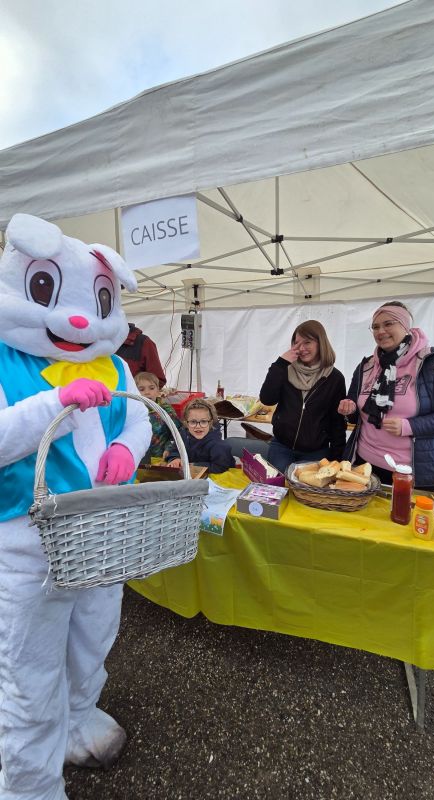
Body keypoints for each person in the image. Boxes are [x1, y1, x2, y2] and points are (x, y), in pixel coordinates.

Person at [0, 213, 151, 800]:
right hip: (26, 546)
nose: (82, 318)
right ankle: (29, 785)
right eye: (46, 290)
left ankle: (78, 718)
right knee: (29, 667)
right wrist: (53, 406)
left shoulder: (115, 365)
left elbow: (138, 418)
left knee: (93, 635)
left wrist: (124, 448)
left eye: (100, 299)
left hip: (100, 535)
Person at [338, 301, 434, 490]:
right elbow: (356, 411)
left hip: (414, 473)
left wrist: (409, 426)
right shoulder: (366, 366)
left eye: (388, 324)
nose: (380, 331)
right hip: (365, 466)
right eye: (375, 327)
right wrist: (348, 409)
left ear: (405, 326)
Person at [259, 320, 346, 473]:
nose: (301, 348)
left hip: (316, 452)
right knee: (278, 489)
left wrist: (337, 458)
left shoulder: (335, 378)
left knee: (308, 494)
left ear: (320, 343)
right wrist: (279, 364)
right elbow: (267, 399)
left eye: (307, 342)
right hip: (282, 447)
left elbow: (337, 422)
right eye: (297, 343)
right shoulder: (284, 369)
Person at [165, 398, 235, 474]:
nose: (198, 426)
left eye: (203, 421)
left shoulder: (218, 445)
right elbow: (175, 449)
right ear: (186, 423)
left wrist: (196, 466)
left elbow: (221, 466)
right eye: (193, 422)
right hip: (189, 477)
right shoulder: (182, 435)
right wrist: (175, 458)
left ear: (210, 423)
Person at [135, 371, 182, 463]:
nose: (147, 392)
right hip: (137, 458)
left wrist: (169, 448)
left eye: (151, 388)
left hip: (159, 458)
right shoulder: (132, 410)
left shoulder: (166, 410)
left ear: (158, 391)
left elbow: (177, 432)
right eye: (142, 389)